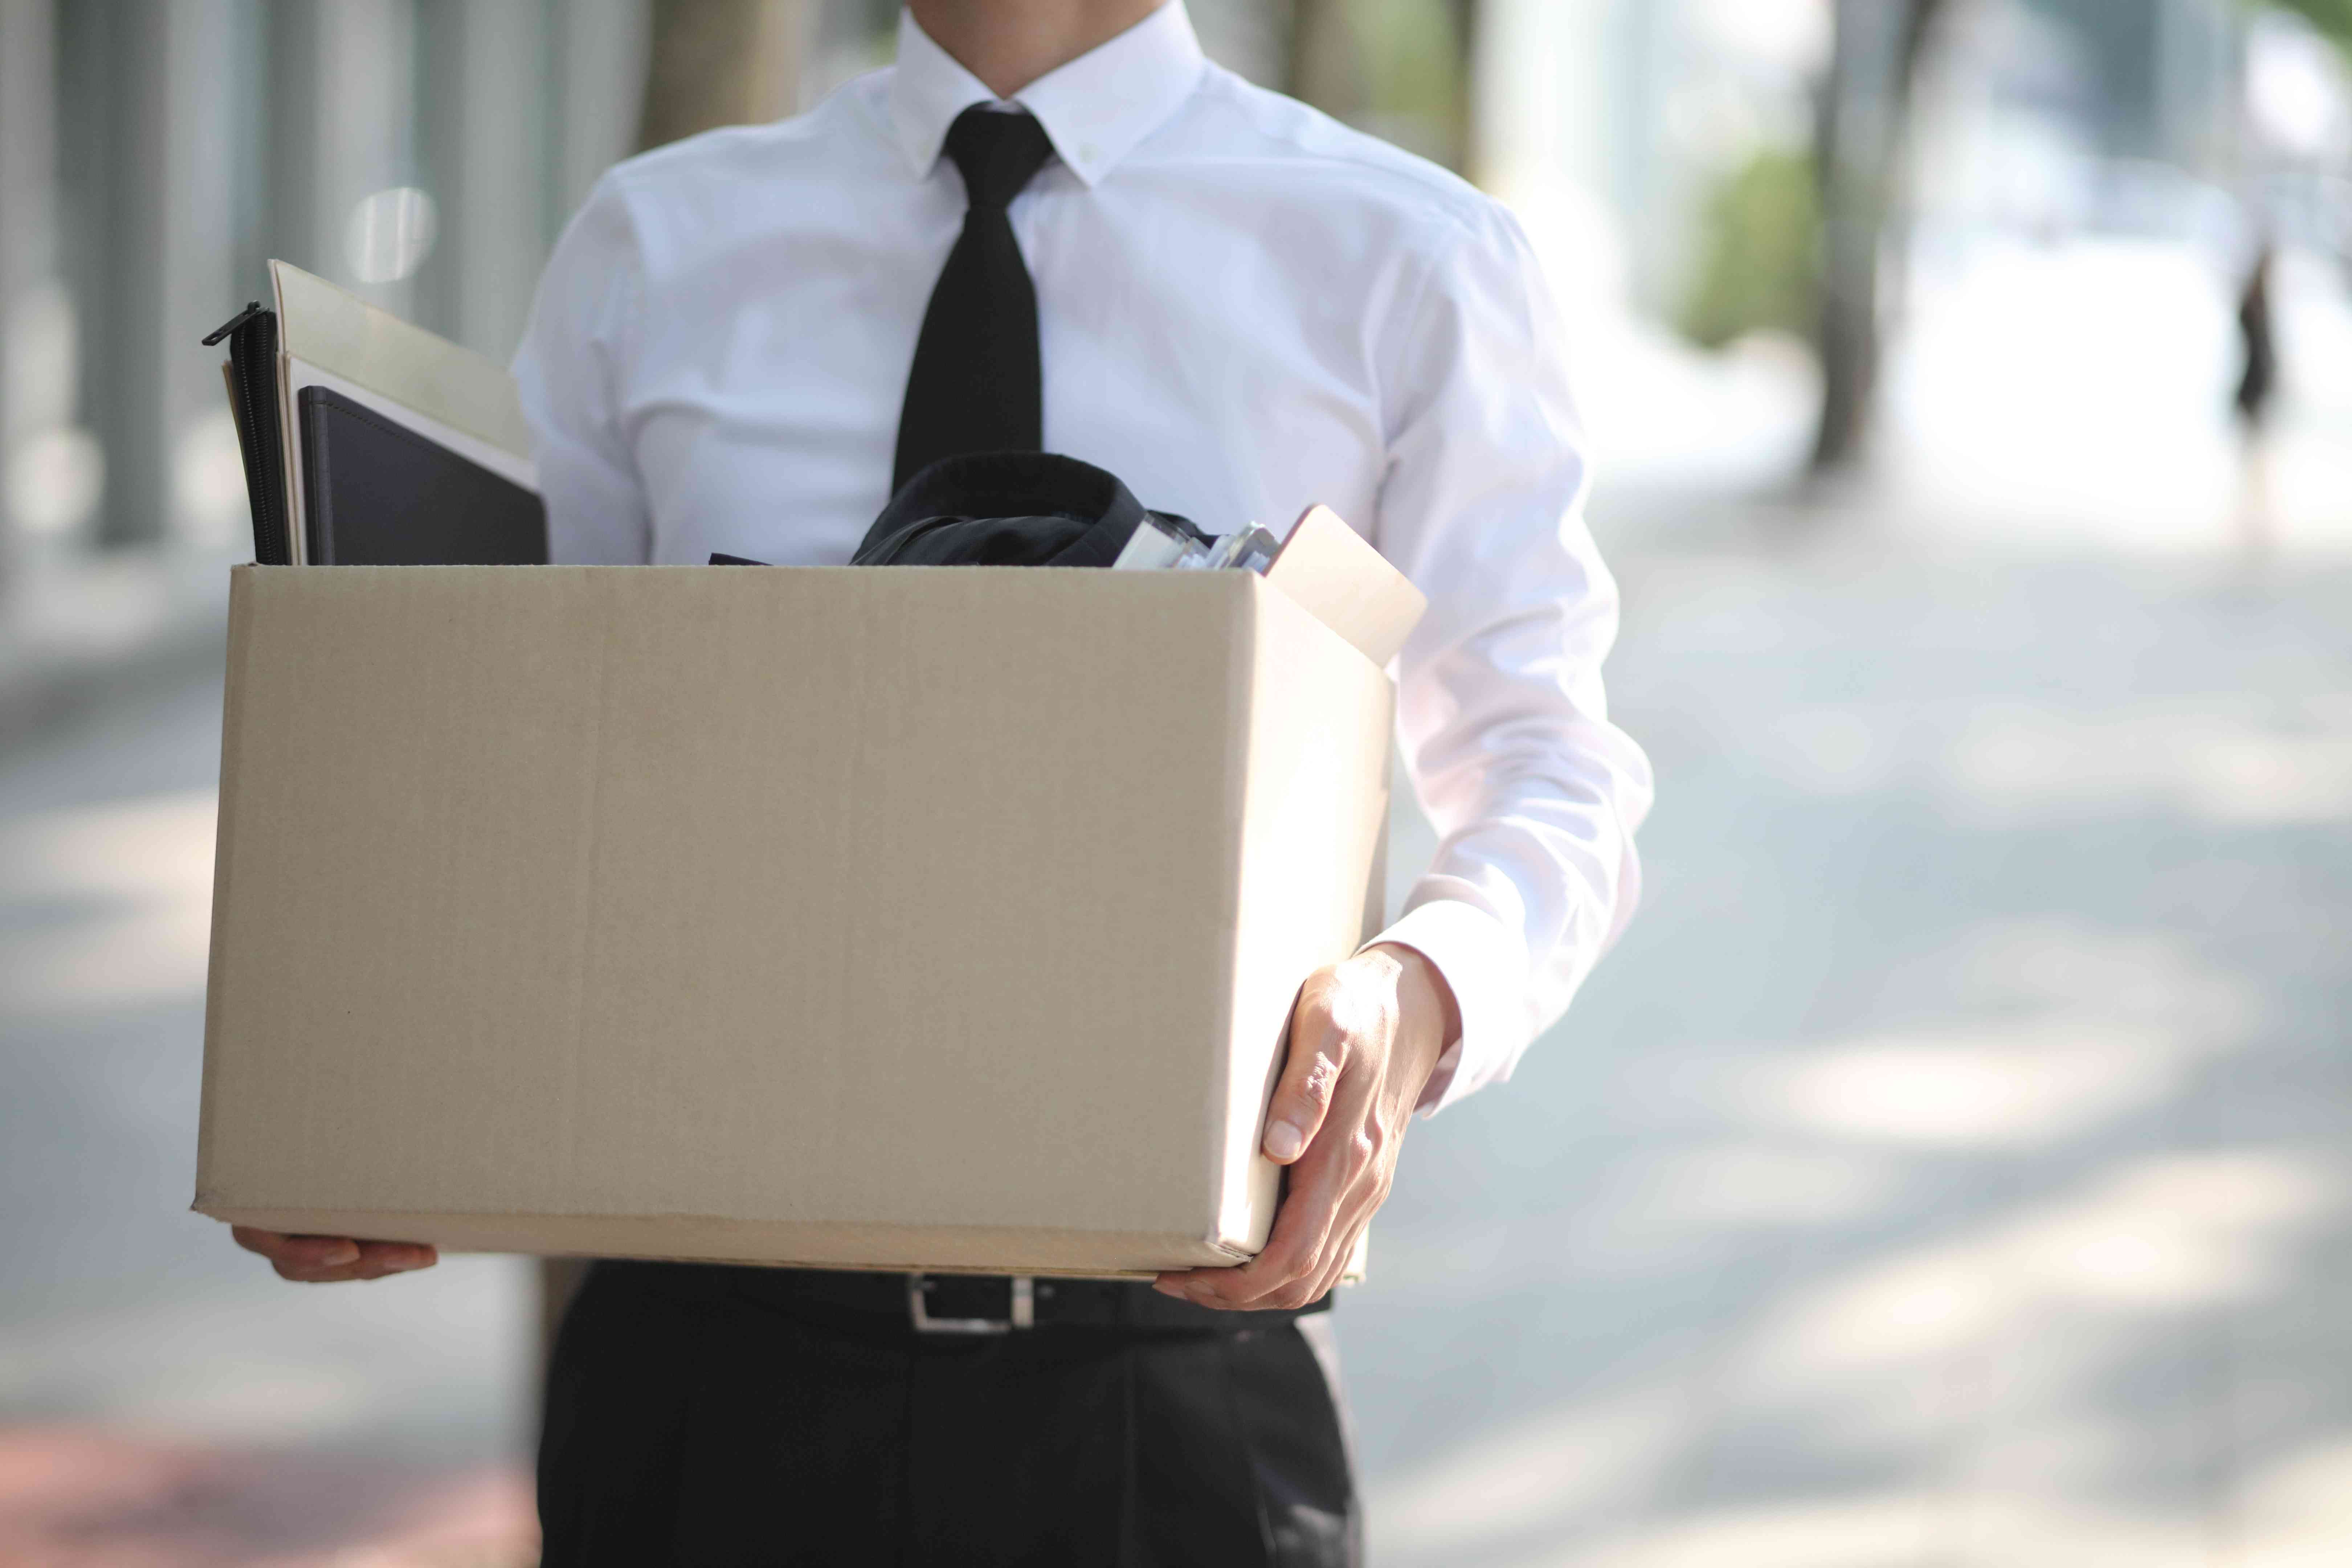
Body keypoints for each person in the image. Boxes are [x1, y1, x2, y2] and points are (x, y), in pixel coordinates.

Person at [229, 1, 1653, 1560]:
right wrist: (361, 1073)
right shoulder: (657, 240)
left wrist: (1423, 989)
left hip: (1169, 1388)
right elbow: (498, 764)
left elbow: (1547, 766)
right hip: (701, 1380)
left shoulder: (1411, 259)